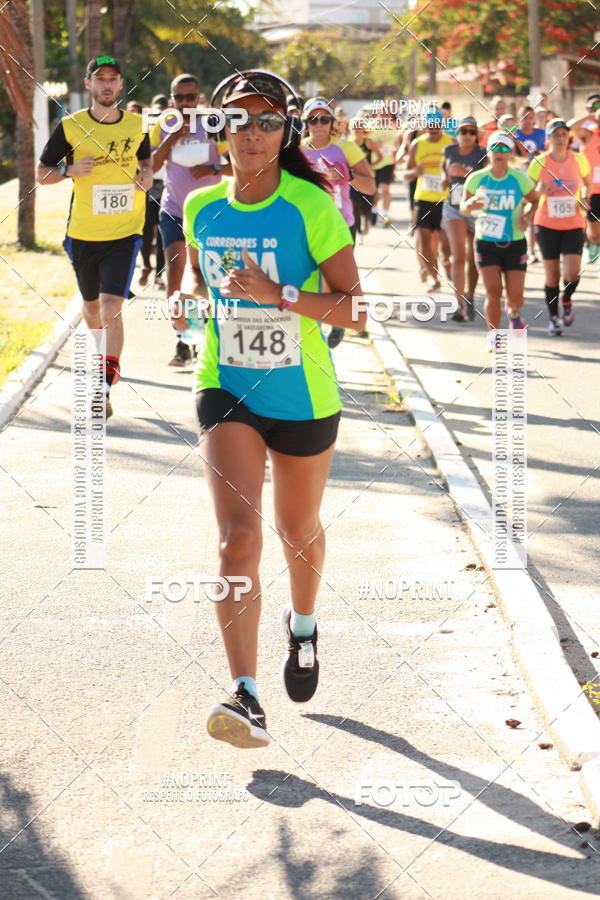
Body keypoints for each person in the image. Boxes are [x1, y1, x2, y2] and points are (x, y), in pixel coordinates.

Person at [181, 70, 366, 748]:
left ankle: (305, 624)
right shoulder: (202, 206)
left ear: (285, 129)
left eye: (267, 120)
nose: (252, 132)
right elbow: (205, 283)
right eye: (239, 119)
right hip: (225, 384)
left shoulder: (310, 207)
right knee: (237, 538)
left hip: (303, 393)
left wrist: (277, 294)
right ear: (220, 127)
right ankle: (245, 695)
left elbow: (357, 309)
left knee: (298, 529)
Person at [36, 55, 152, 418]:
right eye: (99, 78)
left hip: (125, 231)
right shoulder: (71, 127)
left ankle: (102, 387)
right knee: (90, 310)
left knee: (110, 307)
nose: (106, 85)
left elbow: (146, 164)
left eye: (113, 79)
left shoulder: (137, 124)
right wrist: (69, 169)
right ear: (88, 84)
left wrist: (145, 178)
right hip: (84, 233)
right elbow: (41, 173)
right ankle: (104, 362)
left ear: (121, 84)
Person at [150, 73, 230, 366]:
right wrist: (173, 137)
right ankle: (182, 341)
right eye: (179, 98)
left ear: (199, 97)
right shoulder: (163, 124)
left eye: (190, 97)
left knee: (205, 279)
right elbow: (152, 166)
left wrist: (211, 168)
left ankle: (202, 338)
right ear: (171, 99)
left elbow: (239, 164)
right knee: (175, 276)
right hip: (173, 210)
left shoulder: (214, 124)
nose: (185, 103)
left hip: (212, 213)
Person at [301, 97, 374, 348]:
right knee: (312, 277)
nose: (319, 124)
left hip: (341, 222)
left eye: (324, 119)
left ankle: (339, 322)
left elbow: (370, 185)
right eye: (313, 119)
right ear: (306, 122)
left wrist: (348, 176)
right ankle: (316, 327)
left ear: (332, 122)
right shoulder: (298, 151)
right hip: (308, 223)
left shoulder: (346, 148)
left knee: (337, 280)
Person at [461, 130, 538, 348]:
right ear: (488, 152)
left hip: (514, 242)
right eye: (495, 147)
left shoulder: (519, 179)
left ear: (510, 152)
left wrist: (527, 216)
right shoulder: (477, 178)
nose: (499, 152)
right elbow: (463, 207)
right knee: (492, 292)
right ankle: (494, 337)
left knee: (516, 297)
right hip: (486, 242)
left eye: (504, 148)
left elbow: (535, 200)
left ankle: (513, 312)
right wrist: (470, 206)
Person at [528, 119, 591, 335]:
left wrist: (585, 198)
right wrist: (538, 189)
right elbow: (528, 194)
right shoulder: (539, 162)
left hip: (574, 222)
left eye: (564, 134)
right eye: (556, 134)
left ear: (569, 137)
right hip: (546, 223)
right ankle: (553, 318)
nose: (560, 138)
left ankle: (567, 298)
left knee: (572, 273)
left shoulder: (579, 159)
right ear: (548, 139)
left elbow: (587, 183)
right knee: (552, 274)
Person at [440, 116, 487, 320]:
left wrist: (466, 174)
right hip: (453, 207)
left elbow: (487, 180)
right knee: (458, 255)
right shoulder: (449, 151)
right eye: (463, 131)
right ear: (457, 134)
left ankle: (470, 296)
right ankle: (459, 303)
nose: (467, 135)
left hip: (476, 208)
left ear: (476, 135)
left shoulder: (483, 153)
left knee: (473, 257)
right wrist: (447, 176)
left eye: (471, 132)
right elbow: (444, 175)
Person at [404, 109, 454, 291]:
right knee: (424, 238)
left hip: (445, 199)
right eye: (429, 125)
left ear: (441, 125)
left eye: (436, 125)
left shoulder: (450, 143)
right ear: (425, 126)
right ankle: (434, 278)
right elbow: (406, 174)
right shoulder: (418, 144)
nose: (433, 129)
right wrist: (415, 172)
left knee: (443, 240)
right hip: (423, 198)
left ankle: (446, 262)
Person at [350, 122, 382, 237]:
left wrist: (369, 167)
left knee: (366, 205)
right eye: (354, 127)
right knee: (354, 204)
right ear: (350, 129)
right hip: (353, 179)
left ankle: (367, 220)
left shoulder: (368, 142)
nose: (356, 130)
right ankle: (358, 230)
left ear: (363, 129)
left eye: (359, 127)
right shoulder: (348, 144)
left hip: (367, 178)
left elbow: (380, 157)